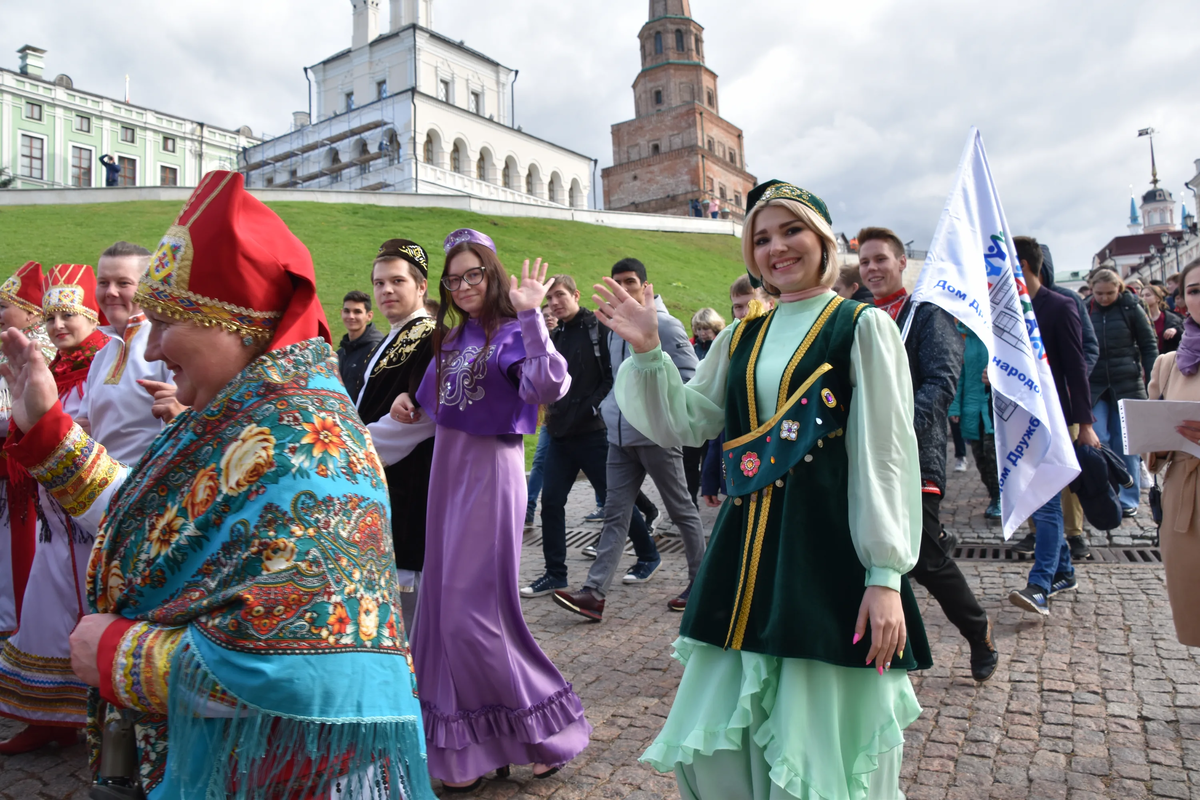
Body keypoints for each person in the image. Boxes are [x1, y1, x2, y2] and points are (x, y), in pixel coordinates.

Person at [0, 172, 435, 795]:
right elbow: (160, 519)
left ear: (234, 324)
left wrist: (122, 655)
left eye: (169, 322)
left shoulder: (304, 448)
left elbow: (320, 675)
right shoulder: (243, 417)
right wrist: (46, 429)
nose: (154, 352)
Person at [602, 180, 932, 800]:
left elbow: (885, 455)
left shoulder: (860, 327)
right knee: (724, 741)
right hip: (745, 562)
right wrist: (648, 352)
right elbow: (687, 421)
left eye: (791, 231)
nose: (777, 248)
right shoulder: (741, 335)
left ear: (823, 240)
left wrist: (885, 575)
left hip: (825, 557)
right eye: (762, 238)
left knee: (815, 742)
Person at [384, 231, 590, 790]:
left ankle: (543, 730)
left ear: (492, 274)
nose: (465, 285)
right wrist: (406, 401)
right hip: (446, 479)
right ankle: (470, 749)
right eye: (455, 279)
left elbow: (548, 386)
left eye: (474, 274)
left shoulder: (513, 333)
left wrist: (532, 317)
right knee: (439, 616)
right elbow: (427, 406)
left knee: (474, 617)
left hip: (492, 478)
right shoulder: (449, 340)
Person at [859, 225, 998, 682]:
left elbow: (941, 383)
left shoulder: (926, 314)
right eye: (864, 261)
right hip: (861, 455)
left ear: (902, 263)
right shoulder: (857, 315)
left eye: (881, 258)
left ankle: (978, 631)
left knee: (924, 559)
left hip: (914, 455)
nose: (872, 267)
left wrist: (895, 428)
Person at [552, 258, 708, 620]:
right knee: (615, 515)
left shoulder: (665, 326)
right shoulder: (614, 330)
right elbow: (615, 379)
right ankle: (593, 594)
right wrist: (611, 409)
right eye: (618, 282)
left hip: (656, 436)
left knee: (682, 511)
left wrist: (662, 416)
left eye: (631, 282)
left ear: (645, 286)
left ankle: (701, 583)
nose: (625, 289)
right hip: (619, 439)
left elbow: (690, 379)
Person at [0, 263, 109, 754]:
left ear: (91, 316)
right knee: (44, 613)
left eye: (69, 315)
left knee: (93, 616)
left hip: (93, 514)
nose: (59, 326)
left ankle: (105, 722)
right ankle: (46, 717)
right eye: (50, 318)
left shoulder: (104, 366)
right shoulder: (56, 369)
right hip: (54, 518)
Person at [522, 274, 657, 597]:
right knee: (551, 503)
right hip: (558, 433)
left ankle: (649, 555)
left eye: (559, 296)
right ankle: (555, 573)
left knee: (615, 504)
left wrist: (594, 408)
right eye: (549, 298)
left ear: (575, 294)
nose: (554, 303)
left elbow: (612, 375)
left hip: (593, 434)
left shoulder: (597, 328)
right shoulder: (554, 334)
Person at [1007, 237, 1100, 616]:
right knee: (1036, 499)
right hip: (1017, 420)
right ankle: (1063, 571)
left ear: (1025, 266)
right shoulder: (1006, 311)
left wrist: (1085, 422)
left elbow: (1077, 367)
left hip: (1055, 419)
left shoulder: (1060, 306)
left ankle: (1040, 585)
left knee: (1044, 504)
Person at [353, 238, 436, 635]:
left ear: (421, 287)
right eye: (379, 282)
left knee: (405, 605)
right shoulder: (393, 335)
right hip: (381, 481)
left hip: (406, 482)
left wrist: (353, 450)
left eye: (397, 281)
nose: (386, 290)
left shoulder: (430, 336)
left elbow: (423, 415)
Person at [75, 242, 180, 463]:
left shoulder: (166, 345)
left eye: (123, 283)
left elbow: (176, 423)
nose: (111, 292)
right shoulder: (102, 354)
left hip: (147, 484)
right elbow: (85, 425)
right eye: (103, 283)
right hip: (104, 487)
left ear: (145, 288)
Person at [0, 261, 55, 647]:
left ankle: (15, 624)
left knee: (22, 549)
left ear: (32, 311)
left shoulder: (43, 349)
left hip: (24, 467)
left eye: (5, 305)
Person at [1146, 259, 1200, 646]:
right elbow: (1154, 456)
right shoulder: (1169, 365)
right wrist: (1158, 441)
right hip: (1187, 508)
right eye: (1195, 290)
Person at [1036, 245, 1099, 560]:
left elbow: (1087, 349)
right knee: (1032, 470)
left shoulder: (1066, 300)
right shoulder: (1017, 304)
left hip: (1065, 401)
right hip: (1032, 404)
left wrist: (1072, 385)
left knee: (1068, 471)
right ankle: (1039, 533)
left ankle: (1074, 534)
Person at [1087, 268, 1158, 517]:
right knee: (1099, 438)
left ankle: (1128, 497)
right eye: (1099, 293)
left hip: (1127, 383)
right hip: (1094, 385)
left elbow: (1149, 345)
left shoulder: (1131, 308)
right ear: (1092, 290)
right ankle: (1108, 489)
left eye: (1109, 293)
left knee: (1126, 442)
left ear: (1119, 288)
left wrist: (1153, 378)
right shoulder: (1086, 309)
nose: (1104, 298)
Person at [948, 323, 1001, 519]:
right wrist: (955, 406)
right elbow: (958, 376)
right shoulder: (962, 339)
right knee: (980, 458)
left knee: (993, 454)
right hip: (971, 408)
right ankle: (994, 494)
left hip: (992, 408)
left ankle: (999, 498)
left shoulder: (995, 338)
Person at [336, 289, 384, 403]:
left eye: (357, 312)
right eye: (347, 311)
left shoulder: (376, 350)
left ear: (369, 316)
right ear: (341, 313)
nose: (351, 316)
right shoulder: (340, 353)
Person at [1142, 284, 1183, 355]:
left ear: (1157, 298)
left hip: (1167, 357)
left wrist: (1175, 330)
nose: (1144, 298)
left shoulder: (1171, 318)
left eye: (1148, 295)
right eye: (1142, 296)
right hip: (1148, 358)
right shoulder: (1140, 318)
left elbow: (1183, 332)